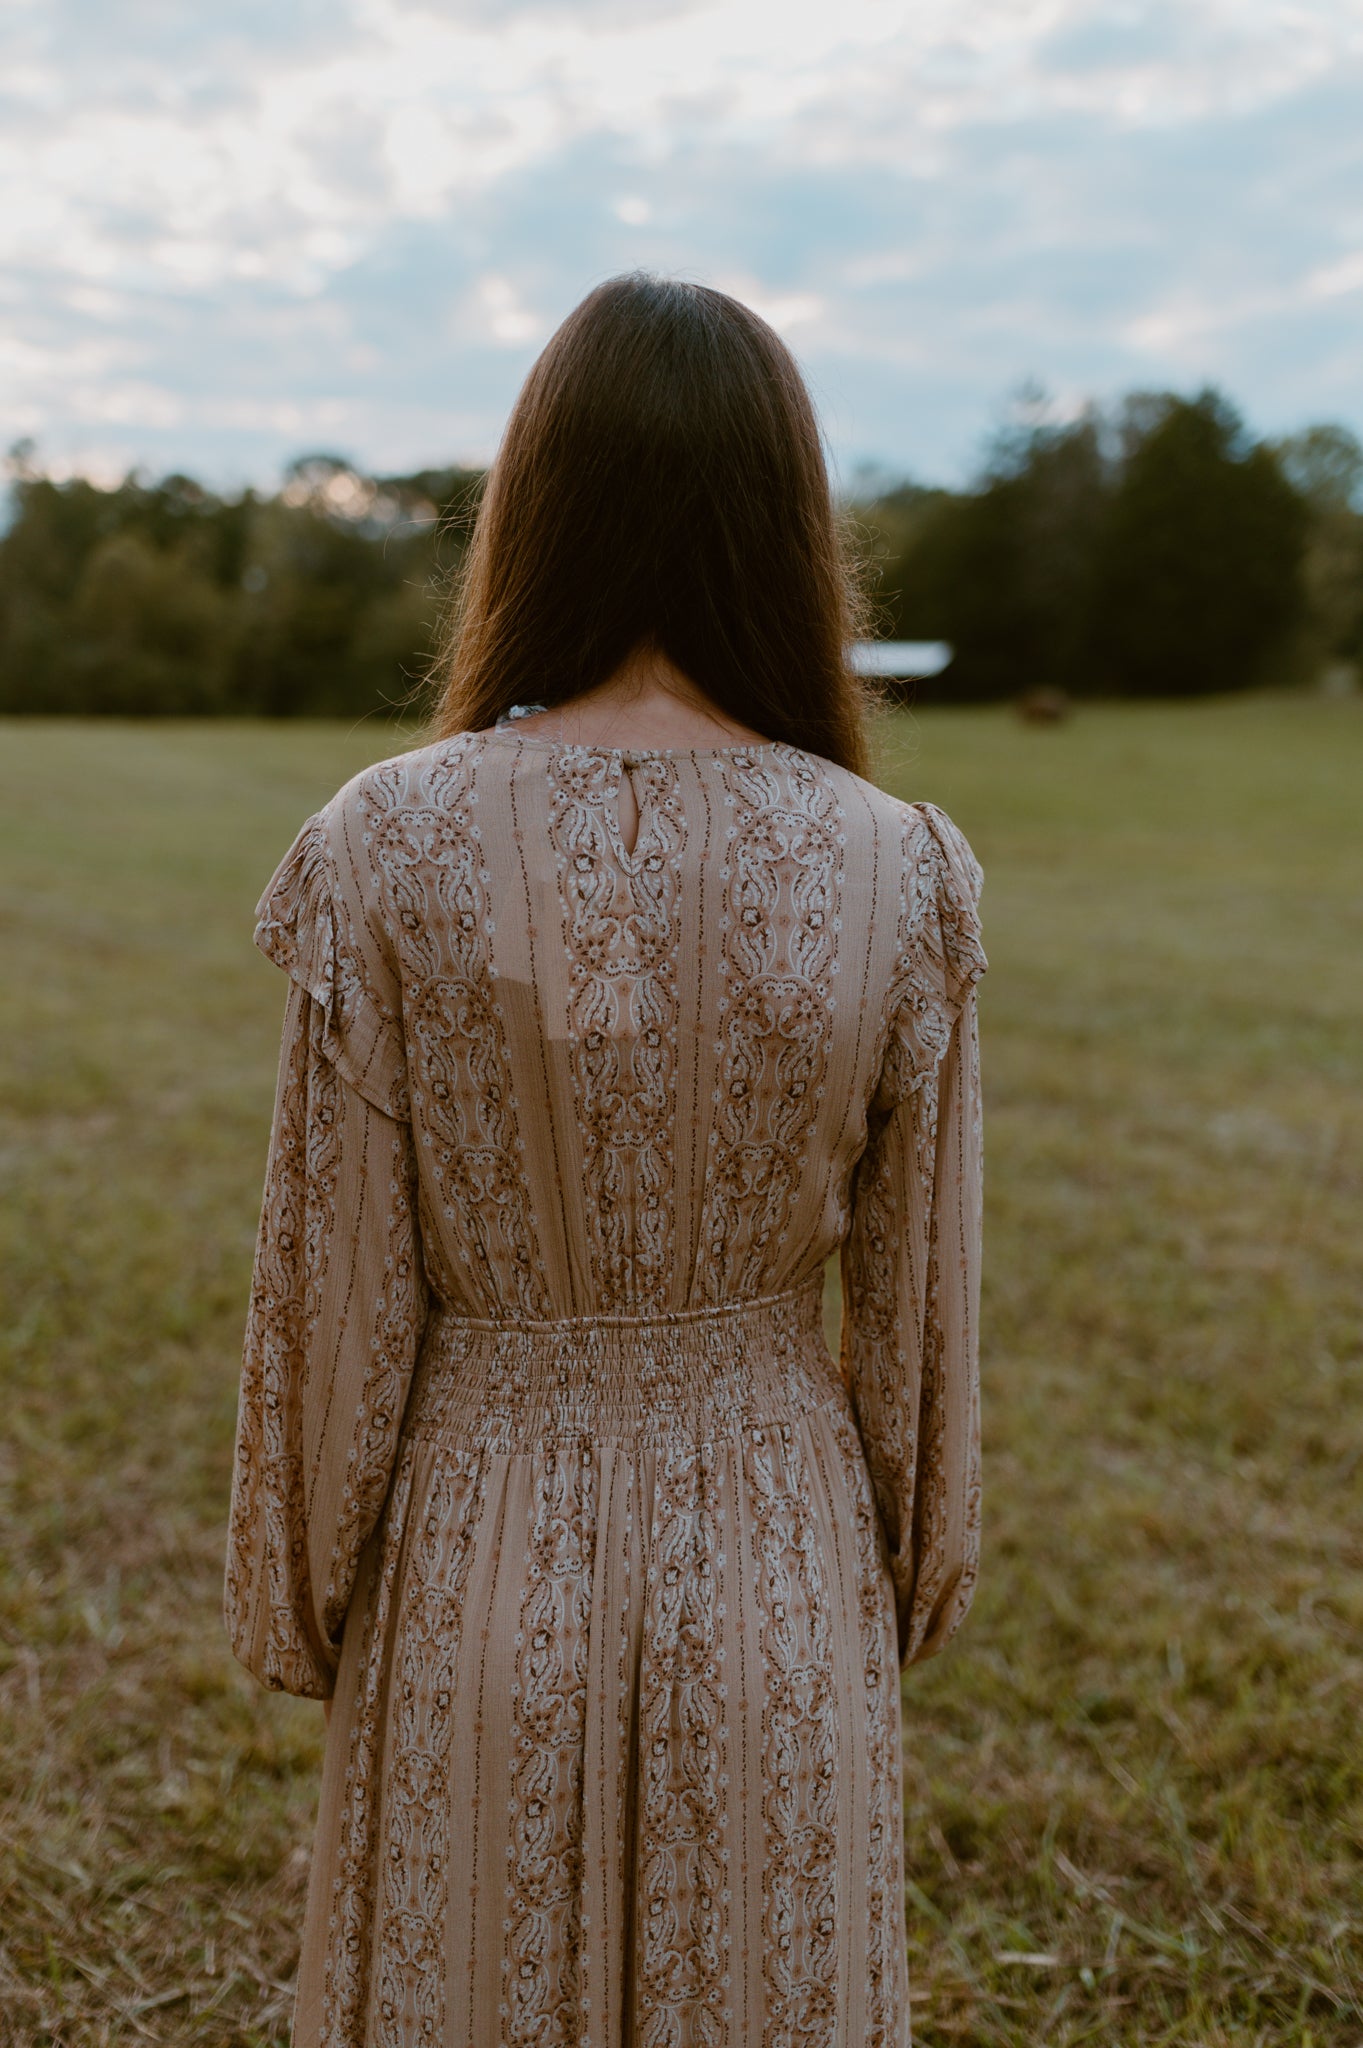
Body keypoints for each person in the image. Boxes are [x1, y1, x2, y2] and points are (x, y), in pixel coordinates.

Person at [225, 273, 986, 2048]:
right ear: (792, 524)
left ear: (531, 507)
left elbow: (332, 1287)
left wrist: (304, 1586)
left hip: (475, 1556)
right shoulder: (900, 869)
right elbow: (920, 1313)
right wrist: (904, 1567)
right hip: (782, 1567)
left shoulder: (384, 846)